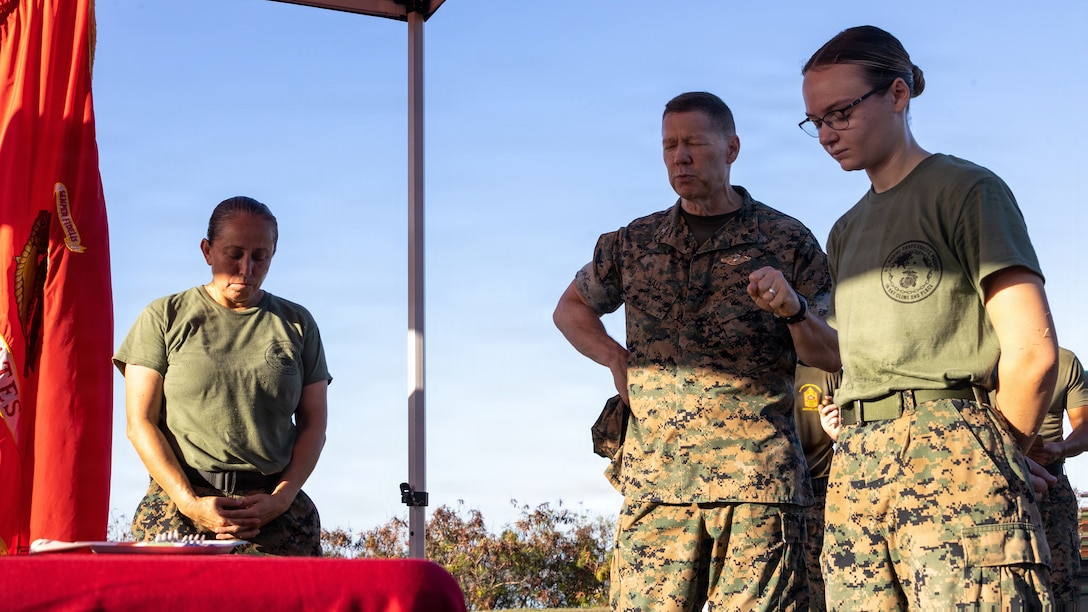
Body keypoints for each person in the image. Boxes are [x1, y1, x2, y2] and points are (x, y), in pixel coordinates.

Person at [753, 25, 1059, 609]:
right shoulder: (844, 230)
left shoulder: (966, 191)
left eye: (839, 112)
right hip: (856, 469)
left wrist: (1001, 457)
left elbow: (1032, 351)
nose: (825, 134)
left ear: (897, 95)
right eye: (814, 120)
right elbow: (845, 356)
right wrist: (793, 312)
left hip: (954, 453)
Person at [553, 91, 832, 610]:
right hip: (657, 486)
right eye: (669, 146)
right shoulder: (634, 242)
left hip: (757, 486)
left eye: (694, 144)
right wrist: (617, 359)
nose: (680, 157)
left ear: (731, 148)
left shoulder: (787, 239)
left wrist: (792, 308)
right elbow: (570, 309)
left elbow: (835, 351)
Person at [114, 196, 331, 556]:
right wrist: (189, 503)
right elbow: (140, 423)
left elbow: (314, 424)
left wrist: (282, 498)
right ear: (207, 251)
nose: (246, 268)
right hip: (179, 510)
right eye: (234, 254)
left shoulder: (298, 324)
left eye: (260, 256)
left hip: (273, 514)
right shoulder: (163, 317)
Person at [1025, 346, 1088, 606]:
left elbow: (1084, 428)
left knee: (1061, 590)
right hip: (995, 483)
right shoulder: (981, 359)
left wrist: (1059, 449)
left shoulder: (1064, 361)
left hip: (1051, 486)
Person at [793, 362, 841, 612]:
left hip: (819, 490)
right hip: (773, 495)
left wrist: (838, 434)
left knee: (820, 583)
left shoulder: (827, 365)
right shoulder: (756, 359)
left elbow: (850, 431)